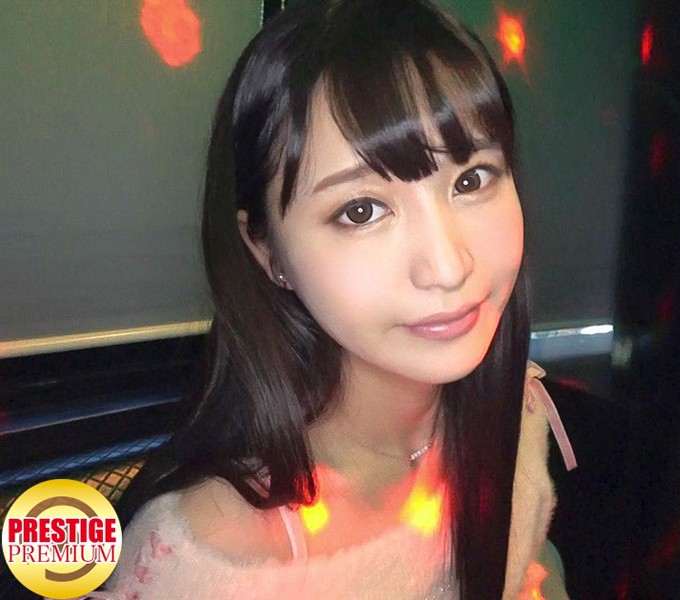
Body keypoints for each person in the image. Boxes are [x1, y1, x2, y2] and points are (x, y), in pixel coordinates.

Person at [96, 0, 576, 598]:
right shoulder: (210, 561)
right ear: (267, 251)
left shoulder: (512, 410)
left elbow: (529, 563)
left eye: (470, 179)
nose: (449, 266)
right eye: (361, 210)